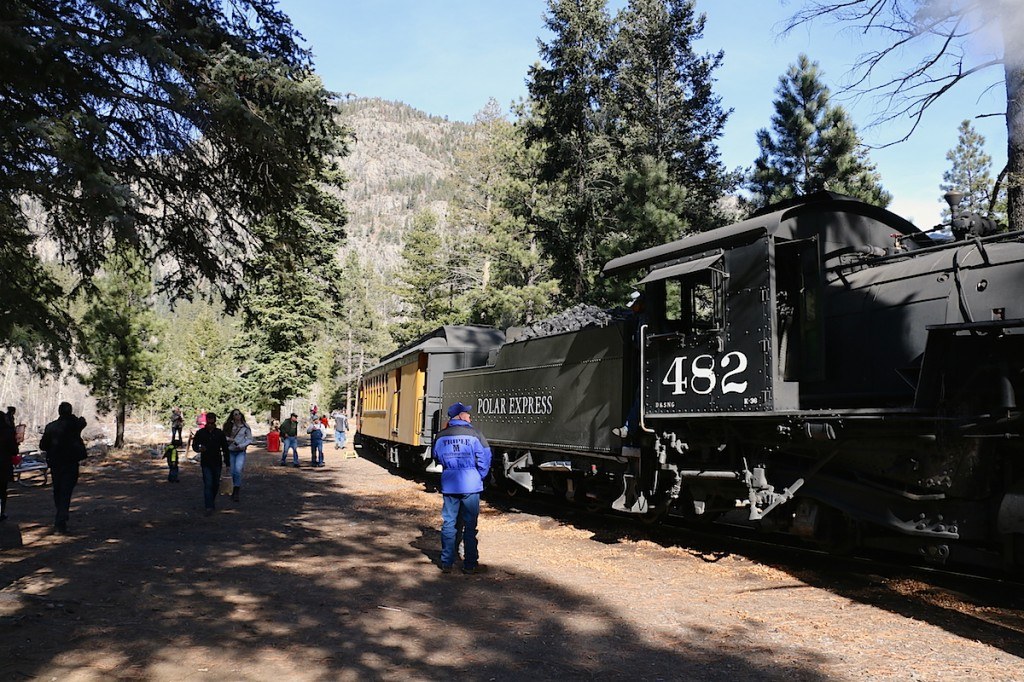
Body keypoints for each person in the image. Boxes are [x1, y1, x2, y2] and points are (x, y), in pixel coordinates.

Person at [432, 402, 492, 574]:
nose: (470, 416)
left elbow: (437, 457)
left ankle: (447, 563)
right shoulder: (475, 434)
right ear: (459, 416)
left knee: (449, 523)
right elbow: (485, 458)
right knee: (470, 525)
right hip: (471, 484)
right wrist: (477, 475)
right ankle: (470, 564)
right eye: (467, 413)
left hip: (450, 483)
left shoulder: (441, 436)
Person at [39, 402, 88, 533]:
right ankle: (61, 519)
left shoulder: (51, 427)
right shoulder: (75, 425)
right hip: (70, 463)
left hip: (56, 463)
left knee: (58, 490)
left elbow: (43, 446)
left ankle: (61, 516)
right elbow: (82, 423)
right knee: (66, 491)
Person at [192, 411, 229, 515]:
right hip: (206, 462)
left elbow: (225, 449)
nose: (210, 425)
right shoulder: (200, 433)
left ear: (215, 422)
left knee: (216, 483)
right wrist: (199, 449)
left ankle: (211, 500)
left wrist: (228, 463)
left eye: (212, 423)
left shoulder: (219, 433)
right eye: (209, 423)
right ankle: (209, 506)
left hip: (217, 461)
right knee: (208, 483)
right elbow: (194, 446)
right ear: (206, 422)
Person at [223, 409, 253, 501]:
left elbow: (249, 439)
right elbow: (222, 436)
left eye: (239, 414)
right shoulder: (228, 426)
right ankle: (232, 488)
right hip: (231, 450)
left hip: (240, 451)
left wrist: (243, 445)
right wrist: (230, 439)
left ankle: (236, 490)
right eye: (235, 414)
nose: (237, 416)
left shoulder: (245, 427)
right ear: (232, 416)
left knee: (238, 470)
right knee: (232, 471)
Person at [0, 409, 17, 521]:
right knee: (2, 490)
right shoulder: (7, 432)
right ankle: (2, 512)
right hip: (3, 465)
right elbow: (14, 450)